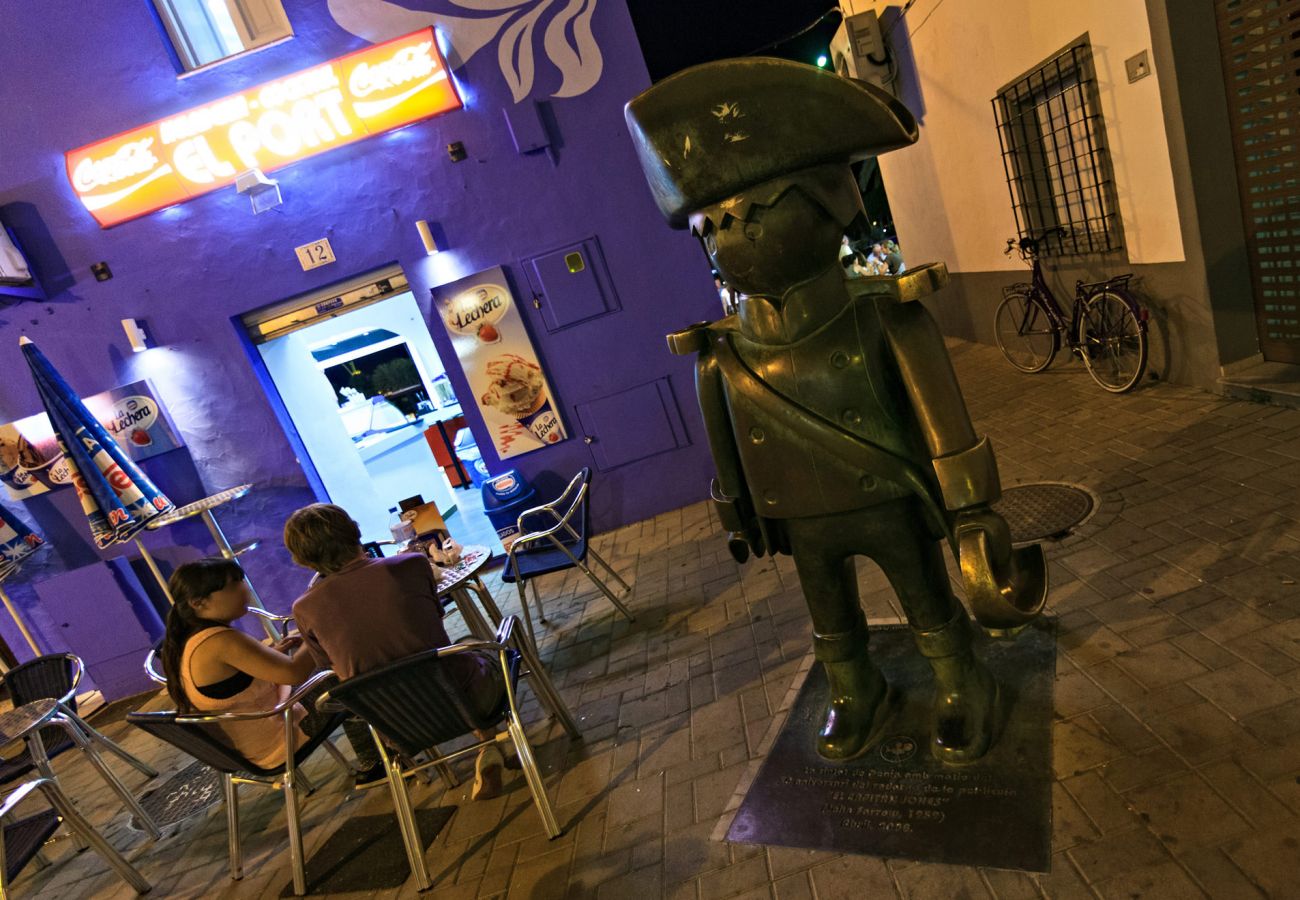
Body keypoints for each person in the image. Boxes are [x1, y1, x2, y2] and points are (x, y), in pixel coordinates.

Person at [285, 503, 507, 799]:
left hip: (395, 725)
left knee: (414, 671)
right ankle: (490, 744)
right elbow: (430, 620)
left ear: (303, 558)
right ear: (354, 530)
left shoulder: (304, 609)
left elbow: (328, 667)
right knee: (483, 649)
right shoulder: (411, 565)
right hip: (469, 700)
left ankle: (475, 754)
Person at [160, 558, 315, 770]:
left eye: (242, 581)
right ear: (198, 602)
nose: (245, 590)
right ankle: (371, 764)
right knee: (343, 676)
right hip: (281, 739)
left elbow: (233, 682)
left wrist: (270, 656)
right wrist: (317, 629)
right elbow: (295, 673)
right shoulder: (220, 640)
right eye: (233, 586)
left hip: (248, 747)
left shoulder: (189, 640)